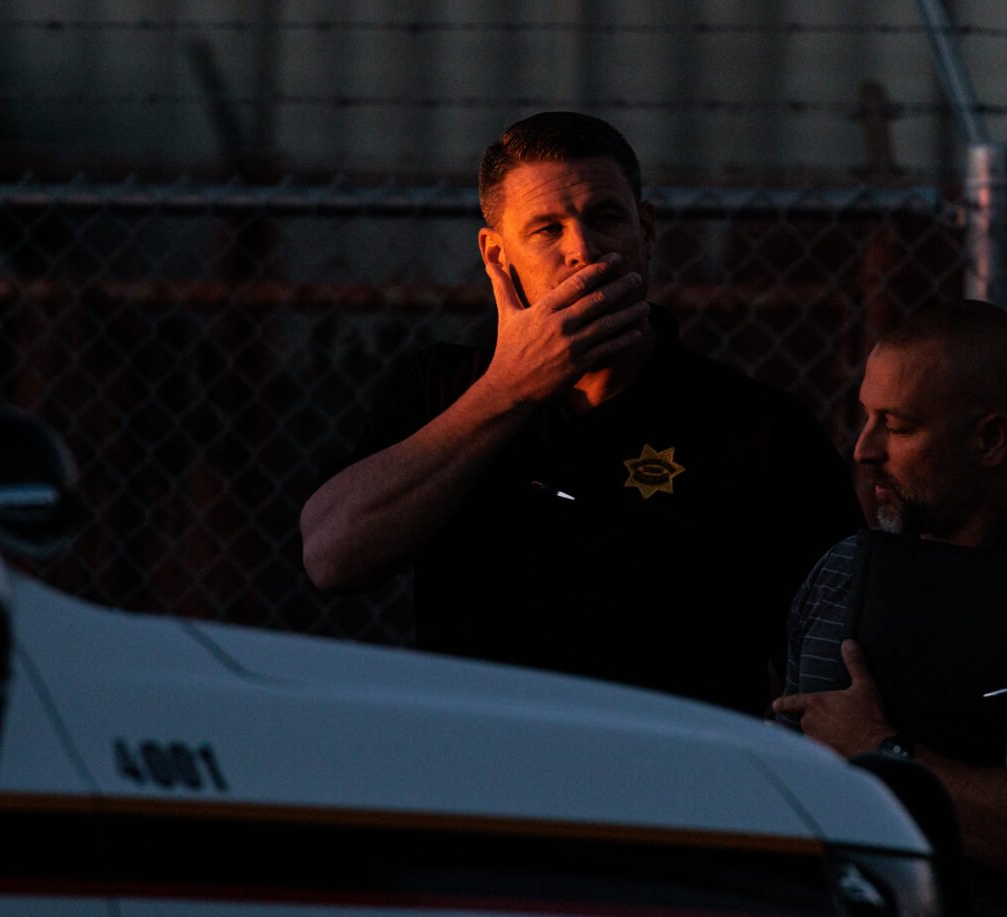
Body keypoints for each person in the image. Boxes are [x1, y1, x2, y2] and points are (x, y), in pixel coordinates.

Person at [300, 111, 863, 716]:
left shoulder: (753, 426)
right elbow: (332, 555)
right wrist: (508, 389)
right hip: (484, 774)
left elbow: (833, 666)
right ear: (497, 253)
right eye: (546, 229)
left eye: (606, 217)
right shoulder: (439, 389)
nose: (584, 250)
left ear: (645, 230)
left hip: (669, 781)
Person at [772, 300, 1007, 915]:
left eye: (896, 427)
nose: (862, 449)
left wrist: (880, 748)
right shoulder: (841, 571)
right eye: (865, 417)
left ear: (989, 440)